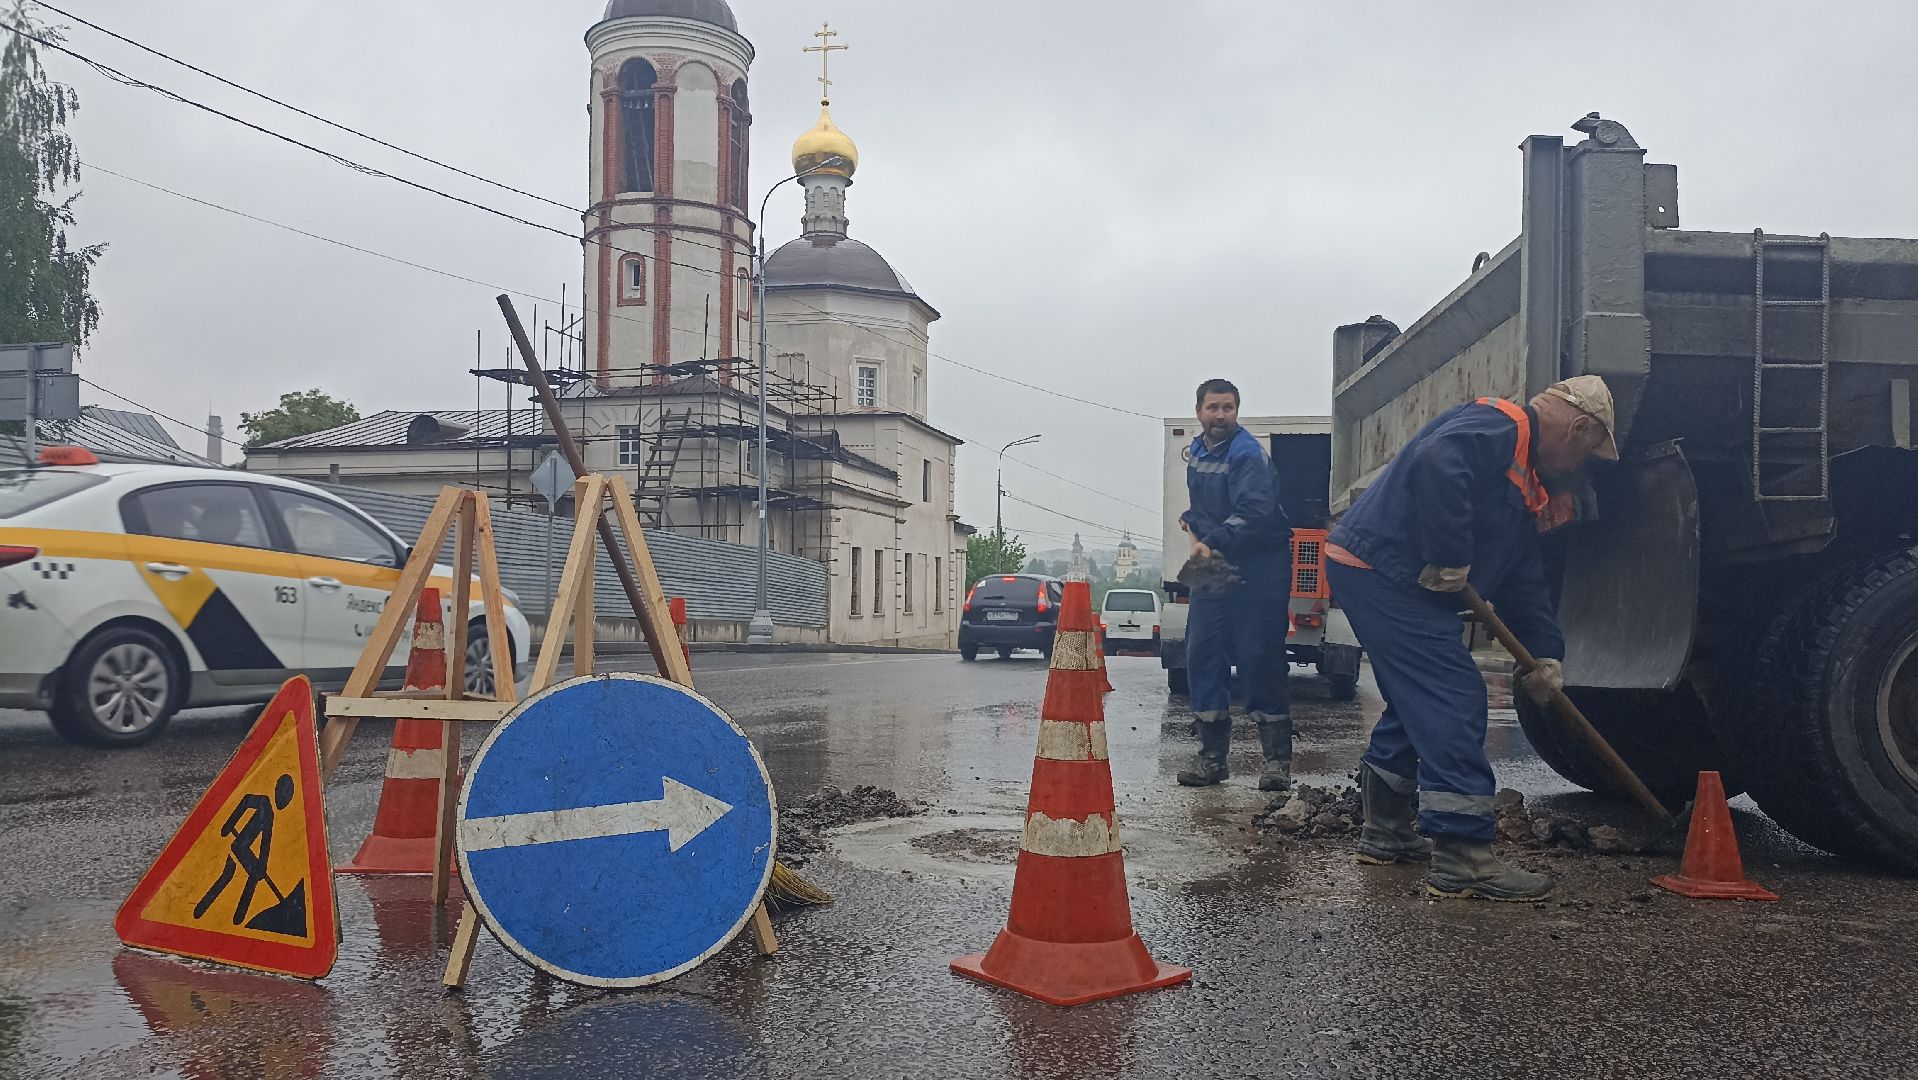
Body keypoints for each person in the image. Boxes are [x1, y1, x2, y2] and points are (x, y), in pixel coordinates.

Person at [1325, 375, 1619, 900]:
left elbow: (1523, 579)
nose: (1582, 466)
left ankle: (1386, 831)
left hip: (1390, 576)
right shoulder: (1501, 426)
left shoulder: (1525, 482)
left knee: (1419, 702)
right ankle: (1463, 855)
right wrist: (1450, 553)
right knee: (1453, 696)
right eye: (1588, 451)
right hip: (1383, 569)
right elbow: (1438, 461)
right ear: (1578, 428)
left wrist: (1546, 654)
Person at [1176, 378, 1292, 790]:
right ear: (1199, 412)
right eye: (1213, 408)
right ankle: (1212, 759)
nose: (1220, 415)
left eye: (1228, 408)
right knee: (1203, 652)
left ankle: (1276, 763)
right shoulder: (1197, 452)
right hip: (1214, 559)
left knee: (1260, 655)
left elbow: (1255, 511)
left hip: (1260, 563)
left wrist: (1211, 541)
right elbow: (1204, 505)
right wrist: (1192, 520)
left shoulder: (1247, 453)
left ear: (1237, 412)